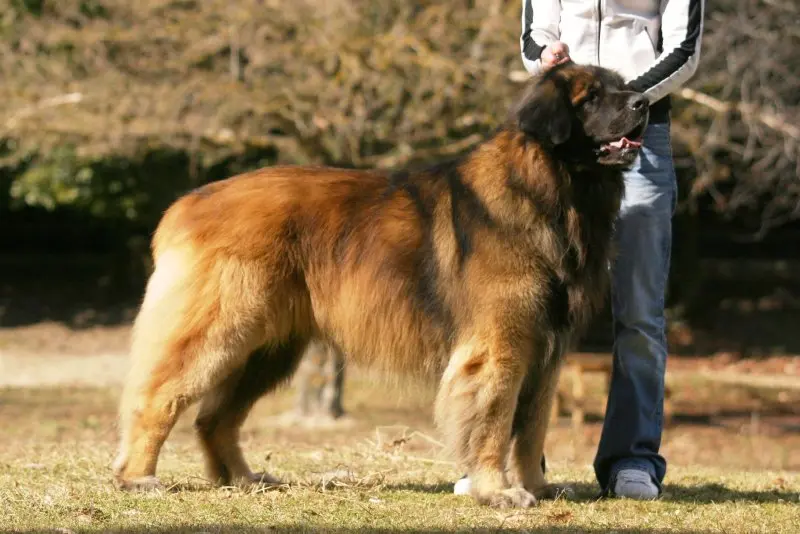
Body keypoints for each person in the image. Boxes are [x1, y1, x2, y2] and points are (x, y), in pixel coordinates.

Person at [455, 0, 705, 500]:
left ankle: (632, 460)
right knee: (518, 316)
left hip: (640, 134)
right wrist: (550, 59)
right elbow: (534, 33)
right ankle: (507, 459)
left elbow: (684, 50)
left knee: (639, 314)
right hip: (560, 138)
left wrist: (623, 102)